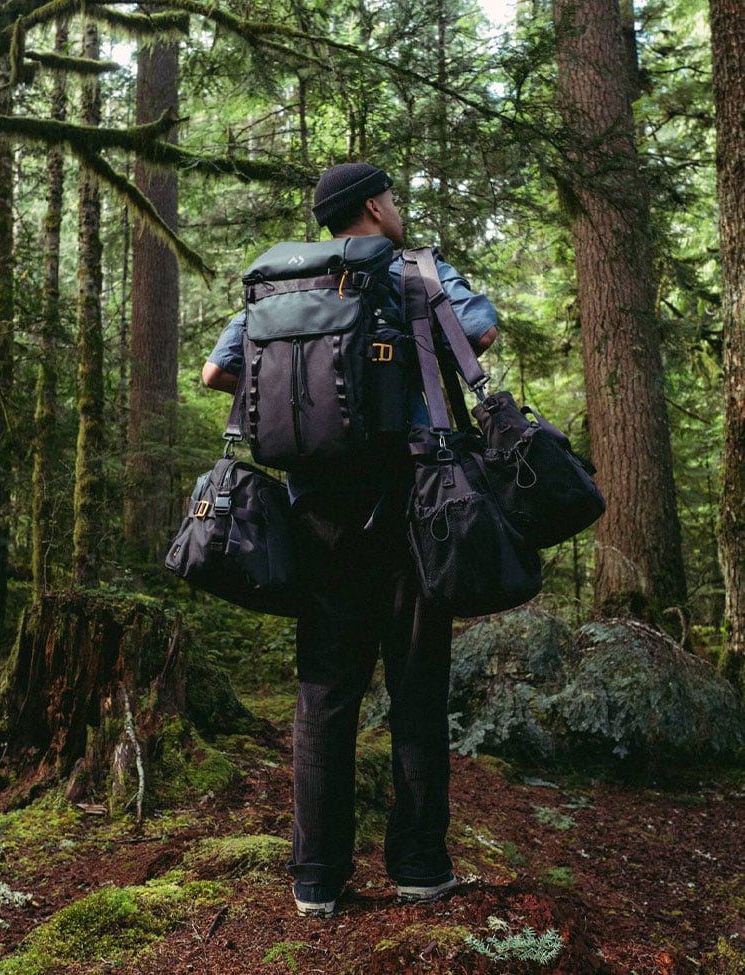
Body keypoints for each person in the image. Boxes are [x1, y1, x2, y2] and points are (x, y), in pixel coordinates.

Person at [202, 163, 498, 917]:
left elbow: (216, 371)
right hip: (411, 506)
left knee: (325, 690)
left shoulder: (279, 284)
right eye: (391, 198)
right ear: (373, 204)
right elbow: (482, 330)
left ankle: (315, 878)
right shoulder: (414, 270)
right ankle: (421, 866)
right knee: (417, 686)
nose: (396, 209)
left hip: (316, 510)